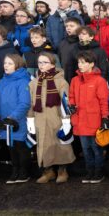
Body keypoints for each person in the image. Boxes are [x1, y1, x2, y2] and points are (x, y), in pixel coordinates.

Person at [28, 52, 75, 183]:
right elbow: (31, 103)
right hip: (40, 119)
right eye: (39, 63)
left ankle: (62, 171)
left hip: (56, 118)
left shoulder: (60, 81)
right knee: (43, 146)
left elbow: (65, 102)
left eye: (45, 62)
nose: (41, 65)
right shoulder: (33, 83)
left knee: (60, 145)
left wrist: (66, 121)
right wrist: (30, 119)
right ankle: (48, 171)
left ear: (53, 64)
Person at [69, 51, 109, 184]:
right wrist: (71, 106)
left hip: (94, 121)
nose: (80, 65)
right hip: (80, 120)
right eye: (79, 62)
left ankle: (98, 172)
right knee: (85, 150)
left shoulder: (99, 80)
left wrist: (105, 118)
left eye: (83, 62)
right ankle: (89, 171)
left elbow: (104, 101)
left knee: (96, 149)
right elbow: (71, 97)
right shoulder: (75, 80)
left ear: (91, 64)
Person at [0, 54, 31, 183]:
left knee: (20, 146)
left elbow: (25, 103)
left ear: (17, 65)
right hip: (5, 120)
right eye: (5, 63)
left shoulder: (23, 81)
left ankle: (24, 171)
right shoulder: (2, 82)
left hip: (18, 120)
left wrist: (13, 117)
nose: (6, 66)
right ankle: (15, 169)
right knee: (10, 146)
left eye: (10, 63)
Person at [56, 17, 82, 82]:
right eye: (66, 26)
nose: (68, 28)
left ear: (79, 27)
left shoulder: (82, 43)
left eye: (72, 26)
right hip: (64, 77)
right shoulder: (62, 43)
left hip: (78, 78)